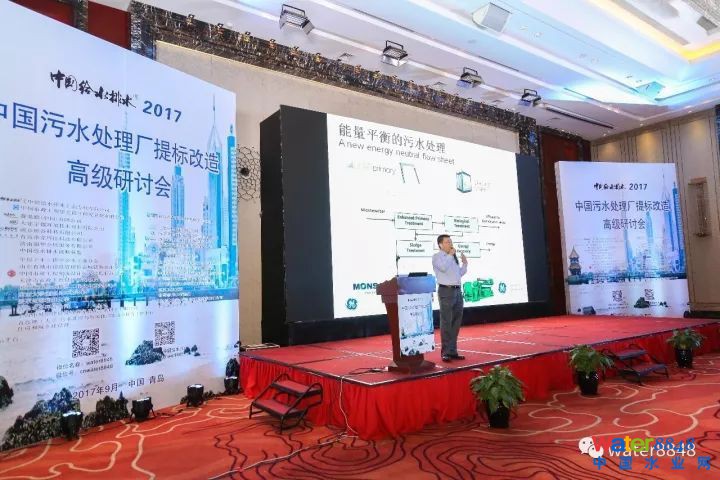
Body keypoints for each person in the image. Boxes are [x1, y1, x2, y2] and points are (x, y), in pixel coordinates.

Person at [432, 234, 468, 362]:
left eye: (451, 242)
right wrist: (450, 255)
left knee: (456, 322)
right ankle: (445, 352)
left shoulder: (452, 257)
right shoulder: (437, 257)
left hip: (457, 290)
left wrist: (465, 264)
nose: (450, 244)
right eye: (447, 242)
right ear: (440, 244)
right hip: (446, 291)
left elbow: (458, 274)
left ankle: (453, 351)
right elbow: (443, 268)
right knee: (446, 322)